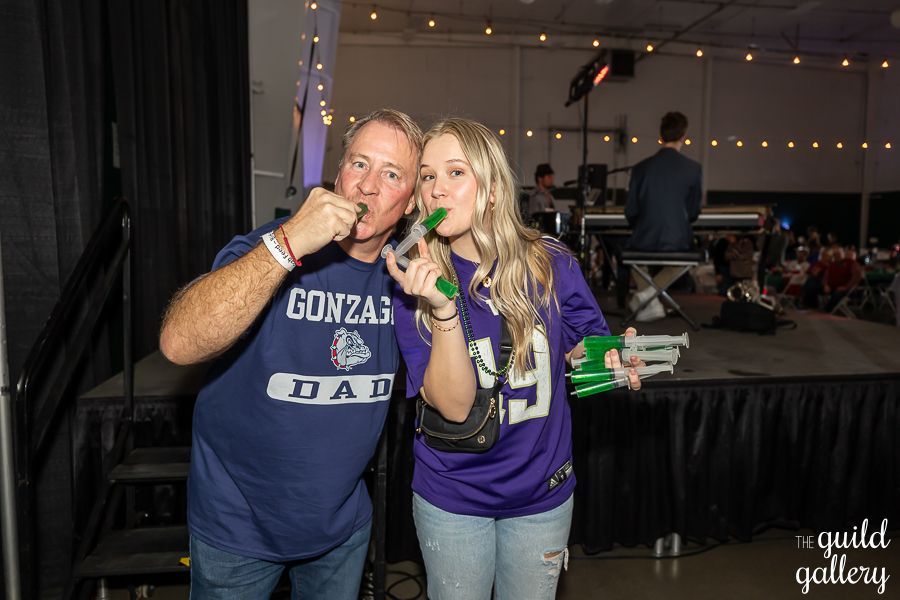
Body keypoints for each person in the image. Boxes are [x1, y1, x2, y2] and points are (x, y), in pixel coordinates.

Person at [158, 109, 422, 598]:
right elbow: (178, 342)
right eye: (358, 164)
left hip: (341, 530)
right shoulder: (272, 247)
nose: (366, 186)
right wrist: (288, 243)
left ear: (409, 203)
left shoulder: (409, 277)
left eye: (391, 174)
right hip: (238, 530)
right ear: (337, 174)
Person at [384, 118, 642, 600]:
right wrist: (442, 308)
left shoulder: (553, 262)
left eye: (456, 172)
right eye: (427, 175)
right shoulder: (412, 286)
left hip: (542, 495)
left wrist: (613, 362)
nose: (437, 189)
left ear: (495, 188)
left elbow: (586, 355)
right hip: (454, 498)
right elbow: (454, 408)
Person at [625, 111, 702, 321]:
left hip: (644, 238)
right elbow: (694, 212)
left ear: (661, 135)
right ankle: (651, 297)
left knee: (631, 257)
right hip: (677, 239)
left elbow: (630, 211)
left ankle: (646, 296)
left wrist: (641, 227)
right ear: (683, 136)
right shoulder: (693, 169)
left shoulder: (641, 168)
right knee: (679, 262)